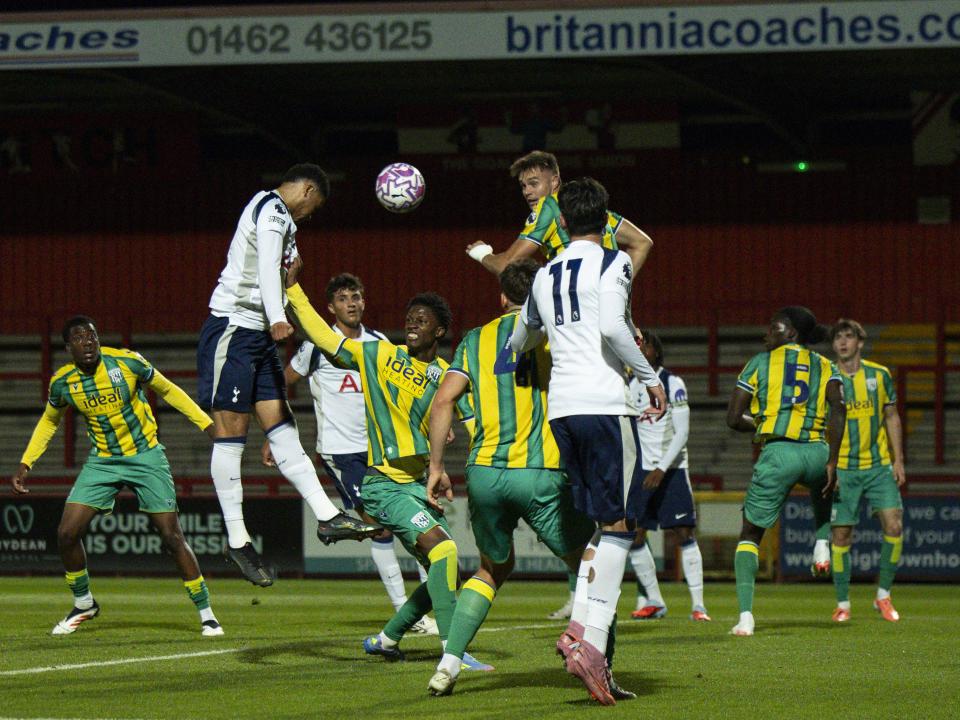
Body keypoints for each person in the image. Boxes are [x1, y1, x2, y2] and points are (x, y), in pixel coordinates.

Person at [281, 260, 490, 674]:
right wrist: (293, 292)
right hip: (383, 484)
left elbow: (470, 422)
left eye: (422, 320)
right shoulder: (380, 355)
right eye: (409, 317)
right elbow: (326, 338)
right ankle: (452, 652)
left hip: (415, 484)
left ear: (439, 331)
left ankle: (386, 639)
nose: (412, 323)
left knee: (442, 572)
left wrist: (444, 465)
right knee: (445, 551)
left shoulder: (445, 376)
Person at [510, 178, 666, 706]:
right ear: (605, 222)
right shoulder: (612, 262)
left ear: (563, 223)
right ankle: (591, 644)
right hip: (604, 405)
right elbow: (614, 329)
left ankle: (580, 628)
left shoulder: (545, 273)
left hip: (562, 411)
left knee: (605, 526)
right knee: (623, 526)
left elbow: (519, 338)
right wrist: (649, 377)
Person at [424, 259, 601, 697]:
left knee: (490, 567)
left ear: (502, 297)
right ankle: (584, 647)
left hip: (485, 474)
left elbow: (443, 401)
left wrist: (435, 467)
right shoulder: (556, 335)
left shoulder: (473, 340)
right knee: (591, 563)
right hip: (541, 472)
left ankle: (448, 664)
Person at [197, 163, 378, 586]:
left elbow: (275, 268)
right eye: (313, 206)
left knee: (282, 426)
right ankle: (238, 539)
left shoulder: (278, 219)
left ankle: (329, 515)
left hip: (254, 335)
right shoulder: (274, 208)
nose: (309, 215)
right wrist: (278, 315)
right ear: (309, 191)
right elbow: (262, 267)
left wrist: (286, 282)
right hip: (234, 328)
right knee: (231, 433)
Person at [11, 316, 223, 637]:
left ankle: (207, 614)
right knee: (67, 533)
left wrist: (205, 423)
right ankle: (84, 603)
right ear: (68, 347)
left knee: (171, 536)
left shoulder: (126, 362)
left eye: (92, 336)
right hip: (103, 461)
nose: (89, 342)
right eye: (80, 338)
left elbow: (167, 389)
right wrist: (27, 462)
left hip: (145, 455)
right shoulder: (63, 382)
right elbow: (50, 421)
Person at [262, 272, 436, 634]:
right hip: (341, 453)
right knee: (381, 527)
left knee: (416, 521)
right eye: (343, 298)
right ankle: (407, 610)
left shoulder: (379, 342)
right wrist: (275, 430)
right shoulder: (317, 346)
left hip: (380, 448)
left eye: (356, 296)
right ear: (330, 307)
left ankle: (429, 599)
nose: (351, 303)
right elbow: (282, 382)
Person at [725, 307, 845, 637]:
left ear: (790, 333)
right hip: (817, 450)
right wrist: (833, 459)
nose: (767, 333)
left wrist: (763, 424)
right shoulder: (826, 365)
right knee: (823, 487)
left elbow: (734, 418)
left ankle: (746, 616)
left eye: (773, 327)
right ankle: (822, 543)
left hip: (779, 451)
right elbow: (839, 409)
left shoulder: (760, 362)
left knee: (750, 533)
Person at [626, 329, 709, 622]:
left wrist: (662, 468)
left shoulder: (673, 383)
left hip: (671, 470)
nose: (639, 349)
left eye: (644, 345)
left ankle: (698, 605)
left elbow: (683, 431)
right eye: (635, 345)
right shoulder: (628, 385)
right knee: (634, 534)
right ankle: (655, 600)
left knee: (683, 532)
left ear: (656, 352)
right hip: (641, 471)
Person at [465, 150, 653, 277]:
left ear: (554, 182)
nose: (527, 192)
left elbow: (506, 265)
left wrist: (482, 254)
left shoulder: (547, 207)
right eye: (523, 186)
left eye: (534, 183)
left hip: (578, 310)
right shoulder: (587, 206)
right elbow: (642, 243)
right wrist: (621, 284)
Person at [828, 319, 906, 623]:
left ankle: (883, 596)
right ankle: (843, 604)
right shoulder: (828, 377)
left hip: (877, 466)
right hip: (844, 469)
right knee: (841, 535)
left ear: (860, 342)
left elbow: (892, 416)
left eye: (849, 337)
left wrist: (897, 459)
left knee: (894, 525)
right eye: (838, 338)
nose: (843, 343)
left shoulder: (879, 375)